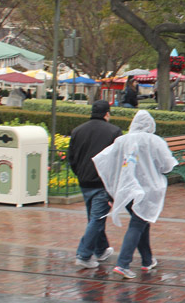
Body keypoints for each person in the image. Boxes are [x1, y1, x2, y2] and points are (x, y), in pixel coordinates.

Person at [92, 110, 178, 279]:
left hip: (128, 188)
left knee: (141, 223)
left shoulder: (122, 140)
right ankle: (123, 264)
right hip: (150, 189)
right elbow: (167, 165)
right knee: (138, 224)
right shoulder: (155, 141)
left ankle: (147, 260)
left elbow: (107, 161)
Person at [69, 100, 123, 269]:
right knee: (97, 219)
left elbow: (72, 157)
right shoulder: (114, 132)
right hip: (102, 182)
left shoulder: (78, 131)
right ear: (107, 113)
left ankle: (101, 250)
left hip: (84, 180)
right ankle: (84, 254)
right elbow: (118, 159)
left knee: (94, 218)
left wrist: (80, 173)